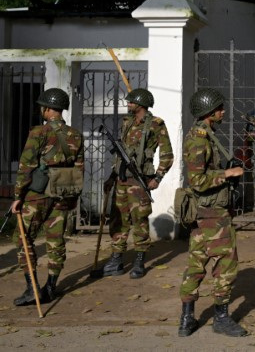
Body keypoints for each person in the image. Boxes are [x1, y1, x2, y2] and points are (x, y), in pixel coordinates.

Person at [178, 88, 247, 338]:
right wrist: (227, 174)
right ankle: (221, 318)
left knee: (196, 264)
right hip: (212, 214)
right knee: (226, 265)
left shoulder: (205, 135)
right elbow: (197, 180)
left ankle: (187, 320)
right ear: (208, 112)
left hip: (207, 212)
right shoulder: (199, 139)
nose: (223, 111)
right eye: (219, 108)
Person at [11, 88, 85, 306]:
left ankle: (31, 288)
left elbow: (26, 166)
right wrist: (73, 196)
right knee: (56, 239)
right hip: (63, 191)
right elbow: (79, 168)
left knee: (23, 238)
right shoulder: (76, 134)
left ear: (47, 109)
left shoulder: (38, 132)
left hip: (38, 194)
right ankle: (50, 287)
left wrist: (18, 196)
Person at [102, 88, 174, 278]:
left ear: (141, 104)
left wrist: (157, 177)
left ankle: (139, 260)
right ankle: (116, 259)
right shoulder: (127, 123)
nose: (128, 103)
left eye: (131, 101)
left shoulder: (156, 125)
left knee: (139, 221)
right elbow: (120, 154)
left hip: (139, 180)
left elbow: (167, 155)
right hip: (121, 179)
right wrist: (112, 177)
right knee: (118, 220)